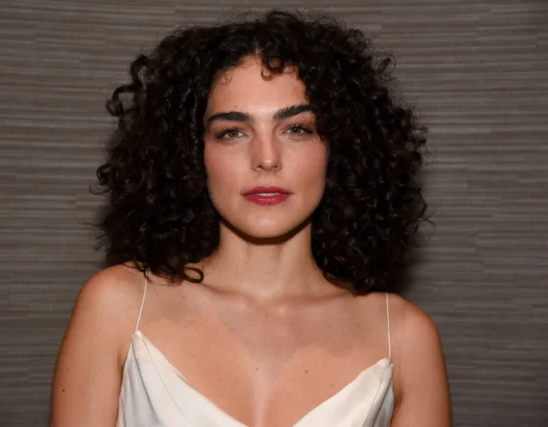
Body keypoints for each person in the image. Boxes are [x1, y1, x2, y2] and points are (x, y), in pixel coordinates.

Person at [50, 9, 451, 427]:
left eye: (297, 129)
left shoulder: (405, 337)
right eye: (232, 132)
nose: (266, 158)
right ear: (193, 154)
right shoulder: (117, 306)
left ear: (341, 148)